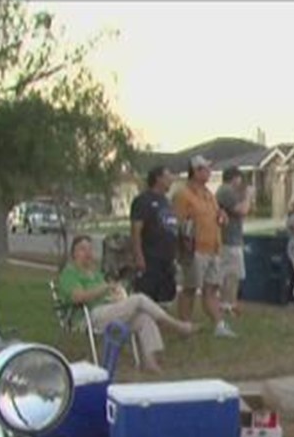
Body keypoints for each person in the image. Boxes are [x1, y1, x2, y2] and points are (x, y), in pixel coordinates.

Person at [59, 235, 195, 374]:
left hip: (108, 311)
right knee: (139, 299)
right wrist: (104, 288)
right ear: (74, 253)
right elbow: (78, 297)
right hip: (89, 315)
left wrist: (115, 295)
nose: (87, 253)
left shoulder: (95, 274)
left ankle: (149, 362)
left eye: (90, 249)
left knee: (144, 317)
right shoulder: (70, 273)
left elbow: (105, 294)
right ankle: (175, 325)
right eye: (82, 249)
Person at [174, 154, 236, 338]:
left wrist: (222, 217)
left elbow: (218, 215)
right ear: (196, 171)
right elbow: (178, 223)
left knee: (211, 288)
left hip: (214, 248)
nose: (209, 172)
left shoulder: (209, 194)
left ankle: (219, 325)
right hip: (194, 249)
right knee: (190, 288)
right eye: (206, 169)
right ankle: (184, 325)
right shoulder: (183, 194)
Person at [129, 165, 179, 304]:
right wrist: (138, 256)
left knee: (165, 297)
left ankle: (160, 324)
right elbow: (136, 231)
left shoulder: (167, 202)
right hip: (150, 258)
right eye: (168, 176)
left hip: (167, 259)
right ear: (158, 178)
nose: (171, 180)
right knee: (147, 298)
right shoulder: (143, 201)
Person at [216, 166, 252, 318]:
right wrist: (248, 196)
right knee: (232, 273)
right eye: (239, 178)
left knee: (231, 273)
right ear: (234, 177)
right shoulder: (226, 191)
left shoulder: (229, 192)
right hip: (229, 240)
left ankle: (229, 303)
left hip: (231, 238)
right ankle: (228, 304)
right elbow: (242, 210)